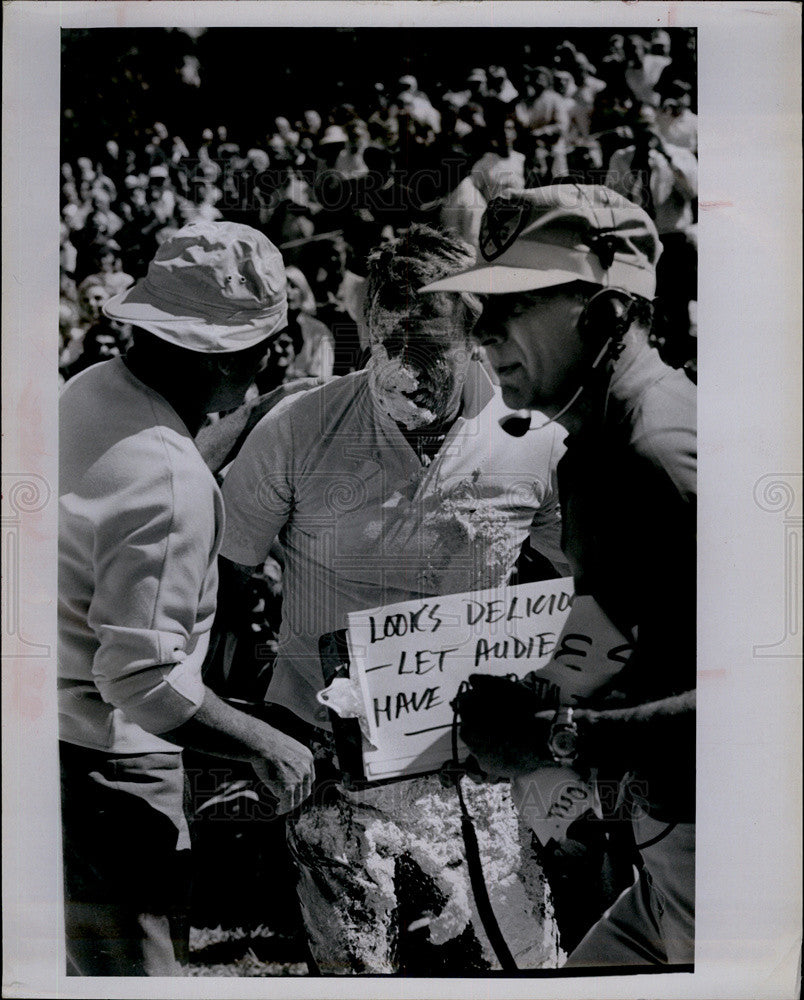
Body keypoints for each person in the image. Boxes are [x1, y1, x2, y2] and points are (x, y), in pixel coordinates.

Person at [215, 224, 570, 974]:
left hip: (475, 769)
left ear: (478, 334)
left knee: (521, 967)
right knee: (357, 973)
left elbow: (586, 585)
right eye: (385, 339)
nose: (400, 366)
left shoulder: (535, 441)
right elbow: (224, 576)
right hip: (331, 766)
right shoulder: (298, 428)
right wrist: (239, 727)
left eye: (427, 345)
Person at [420, 184, 696, 968]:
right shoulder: (597, 445)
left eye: (515, 306)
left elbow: (768, 705)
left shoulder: (655, 455)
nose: (485, 333)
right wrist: (528, 696)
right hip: (671, 844)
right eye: (480, 309)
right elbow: (614, 627)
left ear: (606, 316)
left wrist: (560, 737)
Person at [58, 220, 316, 976]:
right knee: (138, 978)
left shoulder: (92, 390)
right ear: (264, 352)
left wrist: (240, 420)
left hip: (51, 747)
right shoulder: (170, 483)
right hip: (113, 771)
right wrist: (265, 744)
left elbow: (141, 468)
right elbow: (141, 680)